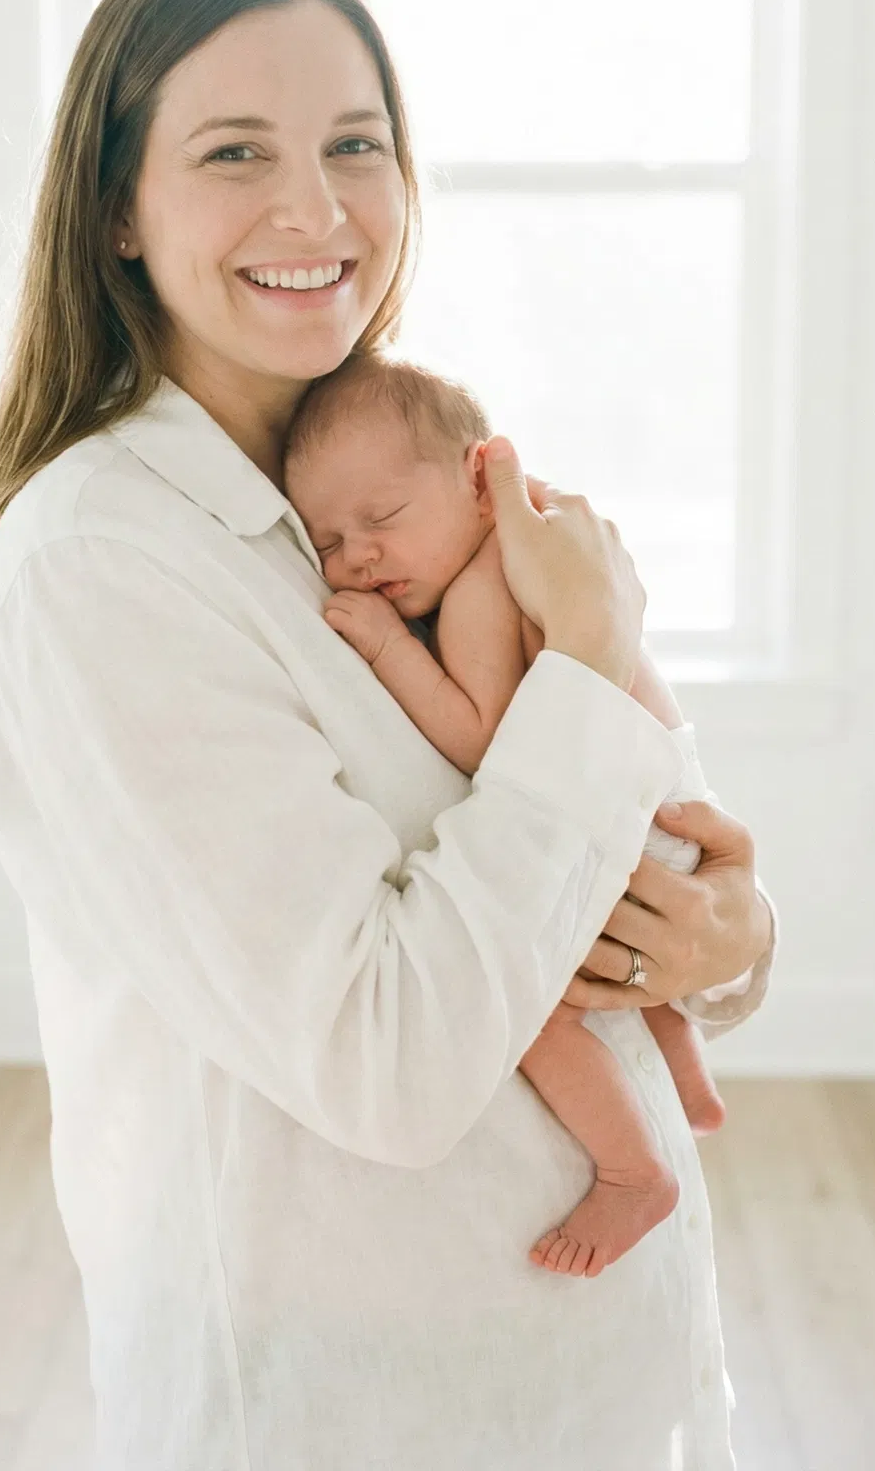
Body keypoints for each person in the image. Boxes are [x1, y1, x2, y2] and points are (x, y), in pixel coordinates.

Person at [0, 0, 777, 1470]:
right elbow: (384, 1060)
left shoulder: (425, 472)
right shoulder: (101, 565)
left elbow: (671, 832)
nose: (313, 206)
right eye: (232, 151)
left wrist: (733, 944)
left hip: (594, 1367)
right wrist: (584, 656)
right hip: (349, 1403)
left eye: (354, 145)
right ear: (118, 208)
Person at [281, 349, 730, 1281]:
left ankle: (631, 1169)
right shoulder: (533, 552)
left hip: (636, 814)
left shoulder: (486, 585)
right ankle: (682, 1071)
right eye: (326, 541)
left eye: (382, 519)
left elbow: (486, 741)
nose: (356, 555)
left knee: (534, 1010)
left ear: (483, 482)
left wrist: (383, 651)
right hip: (671, 807)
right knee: (609, 959)